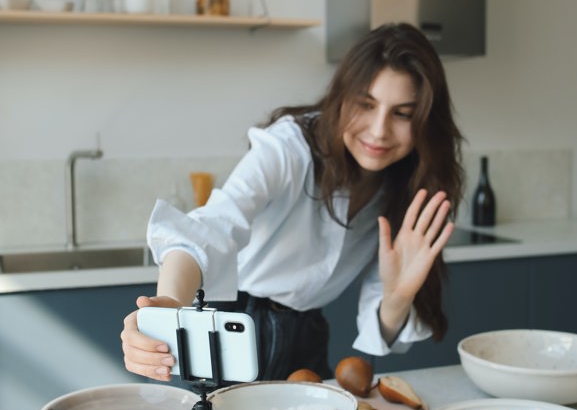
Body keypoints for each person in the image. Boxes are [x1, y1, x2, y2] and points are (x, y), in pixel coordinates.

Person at [121, 22, 464, 382]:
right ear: (342, 97)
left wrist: (397, 298)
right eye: (366, 104)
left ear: (424, 120)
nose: (379, 130)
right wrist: (170, 308)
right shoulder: (289, 146)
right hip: (232, 329)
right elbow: (213, 225)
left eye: (402, 114)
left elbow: (383, 320)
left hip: (306, 334)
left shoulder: (408, 187)